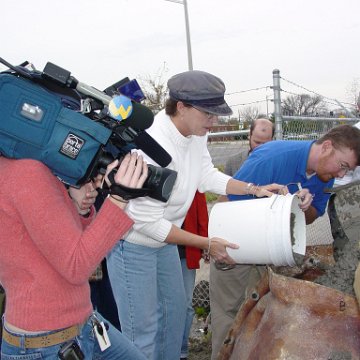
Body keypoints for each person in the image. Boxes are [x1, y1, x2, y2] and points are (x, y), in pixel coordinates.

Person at [106, 70, 284, 360]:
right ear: (181, 107)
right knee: (143, 332)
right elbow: (146, 222)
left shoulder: (195, 133)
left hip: (163, 241)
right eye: (208, 114)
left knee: (175, 314)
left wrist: (254, 189)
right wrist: (206, 243)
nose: (214, 122)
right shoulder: (152, 143)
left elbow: (206, 175)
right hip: (133, 242)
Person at [209, 124, 360, 360]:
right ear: (327, 147)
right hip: (236, 243)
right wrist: (217, 247)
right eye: (342, 166)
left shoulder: (324, 177)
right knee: (228, 313)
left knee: (256, 312)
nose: (341, 175)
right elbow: (227, 199)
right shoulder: (275, 157)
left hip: (273, 247)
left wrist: (302, 208)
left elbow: (310, 218)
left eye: (347, 171)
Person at [0, 152, 149, 360]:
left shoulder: (20, 167)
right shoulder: (26, 172)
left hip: (82, 325)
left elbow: (67, 243)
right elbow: (77, 265)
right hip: (48, 344)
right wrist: (119, 197)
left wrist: (79, 209)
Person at [178, 190, 209, 360]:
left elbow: (201, 208)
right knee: (163, 306)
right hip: (159, 247)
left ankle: (182, 351)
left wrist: (205, 241)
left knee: (186, 305)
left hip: (185, 250)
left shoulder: (192, 173)